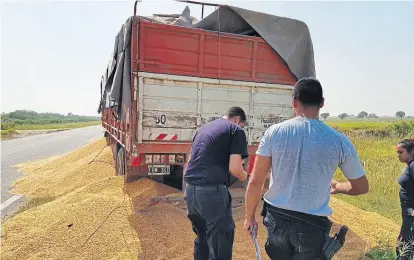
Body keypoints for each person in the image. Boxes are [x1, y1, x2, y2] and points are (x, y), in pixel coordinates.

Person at [243, 77, 369, 260]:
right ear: (322, 103)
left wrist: (249, 217)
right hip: (313, 225)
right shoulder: (339, 141)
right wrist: (339, 187)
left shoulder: (274, 133)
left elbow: (255, 180)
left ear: (294, 102)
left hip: (276, 220)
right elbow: (361, 187)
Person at [184, 106, 249, 260]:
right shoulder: (235, 130)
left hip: (190, 191)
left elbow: (190, 160)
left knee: (203, 239)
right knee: (221, 242)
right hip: (211, 194)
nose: (242, 128)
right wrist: (245, 176)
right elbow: (235, 169)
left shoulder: (204, 128)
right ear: (237, 119)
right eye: (242, 125)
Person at [395, 138, 414, 260]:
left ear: (411, 152)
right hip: (408, 212)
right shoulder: (410, 165)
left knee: (406, 246)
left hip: (411, 212)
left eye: (401, 152)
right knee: (403, 243)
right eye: (397, 152)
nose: (398, 155)